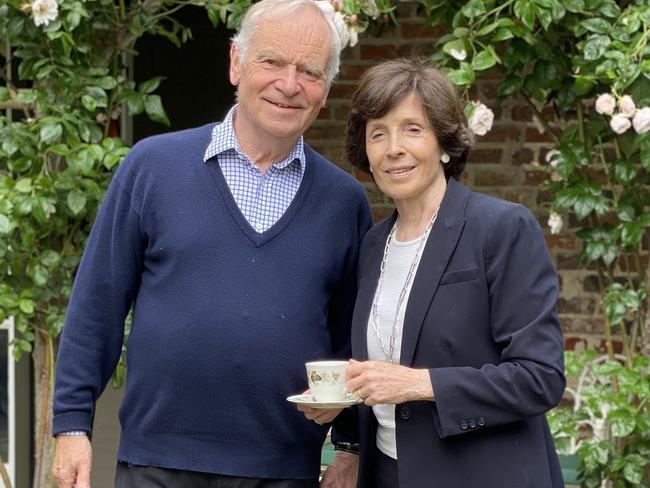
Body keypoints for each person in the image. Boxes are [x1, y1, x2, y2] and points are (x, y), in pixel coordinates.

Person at [51, 1, 372, 486]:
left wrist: (348, 447)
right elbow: (97, 303)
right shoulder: (152, 168)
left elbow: (352, 339)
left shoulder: (343, 201)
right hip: (157, 464)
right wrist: (72, 424)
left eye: (308, 71)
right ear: (235, 64)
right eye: (272, 62)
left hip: (283, 471)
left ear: (325, 91)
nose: (289, 84)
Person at [305, 58, 566, 487]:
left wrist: (419, 384)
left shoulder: (500, 228)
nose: (394, 148)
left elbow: (541, 378)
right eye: (378, 133)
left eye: (412, 129)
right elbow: (379, 372)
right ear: (366, 153)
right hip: (387, 474)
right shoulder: (372, 246)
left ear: (443, 143)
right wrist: (345, 419)